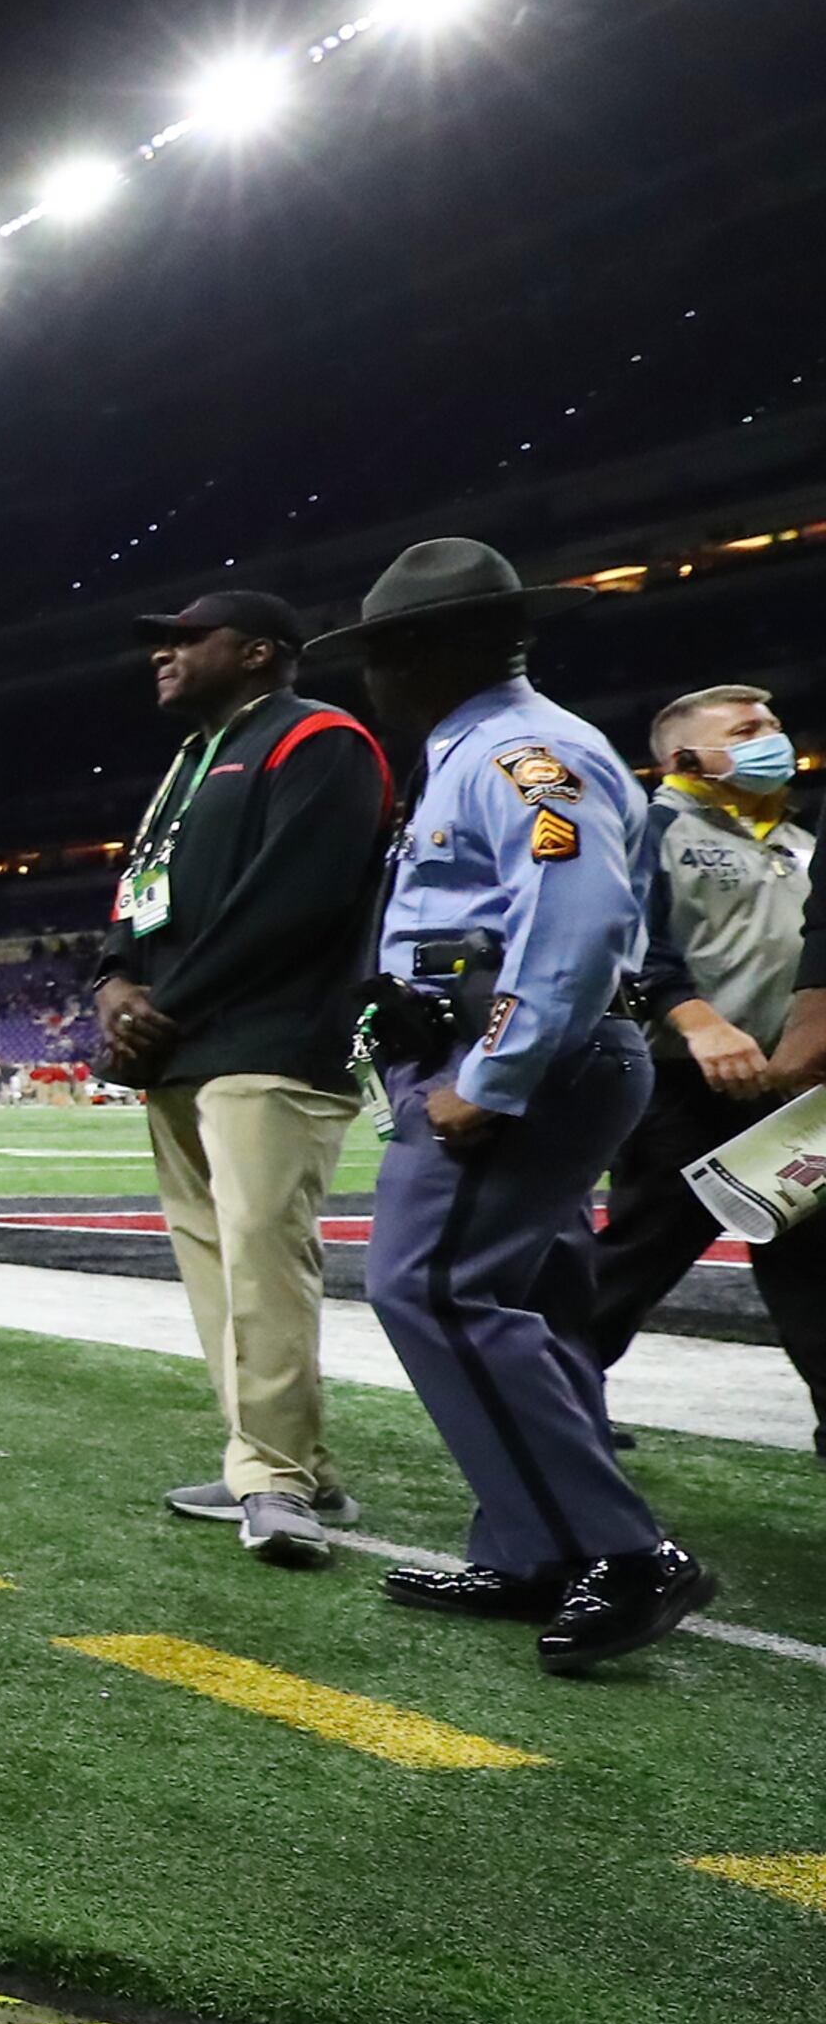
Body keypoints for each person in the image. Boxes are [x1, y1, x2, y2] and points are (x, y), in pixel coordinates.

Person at [310, 538, 716, 1673]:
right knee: (527, 1292)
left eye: (383, 657)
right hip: (515, 1055)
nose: (372, 682)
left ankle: (623, 1552)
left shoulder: (524, 753)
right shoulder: (483, 752)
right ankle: (536, 1544)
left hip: (524, 1064)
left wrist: (490, 1079)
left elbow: (575, 914)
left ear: (431, 654)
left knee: (431, 1285)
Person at [86, 591, 392, 1565]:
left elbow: (298, 900)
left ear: (260, 652)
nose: (162, 655)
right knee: (218, 1266)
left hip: (272, 1040)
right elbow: (143, 893)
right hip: (185, 1047)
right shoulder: (190, 761)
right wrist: (113, 981)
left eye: (185, 639)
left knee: (263, 1256)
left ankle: (275, 1478)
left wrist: (164, 1002)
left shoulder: (320, 740)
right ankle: (280, 1456)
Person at [583, 687, 826, 1449]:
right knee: (638, 1254)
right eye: (748, 730)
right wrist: (698, 1019)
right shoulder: (649, 827)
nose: (773, 739)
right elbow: (624, 946)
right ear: (684, 756)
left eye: (775, 726)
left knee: (815, 1262)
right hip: (684, 1081)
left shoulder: (795, 835)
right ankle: (556, 1402)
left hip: (792, 1088)